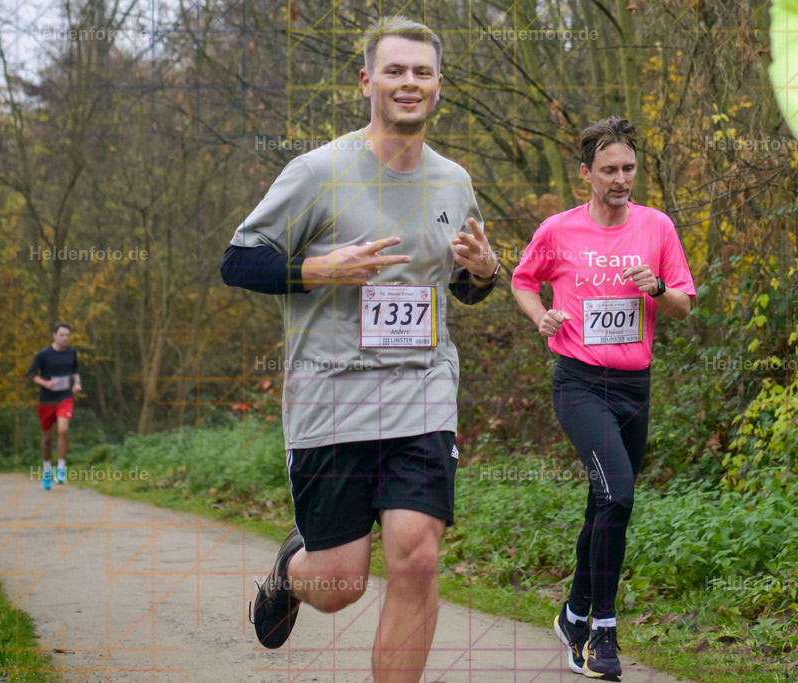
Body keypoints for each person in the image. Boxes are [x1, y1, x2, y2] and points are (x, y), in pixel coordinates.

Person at [220, 15, 499, 679]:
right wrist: (320, 270)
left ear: (439, 86)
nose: (409, 83)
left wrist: (485, 272)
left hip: (421, 389)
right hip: (331, 395)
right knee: (339, 586)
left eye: (422, 72)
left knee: (418, 553)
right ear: (367, 79)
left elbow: (458, 284)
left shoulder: (453, 182)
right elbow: (238, 261)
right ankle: (294, 571)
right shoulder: (318, 172)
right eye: (395, 70)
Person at [510, 116, 695, 680]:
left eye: (629, 169)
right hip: (579, 382)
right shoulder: (559, 229)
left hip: (634, 387)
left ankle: (572, 613)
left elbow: (685, 304)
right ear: (585, 174)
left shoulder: (656, 226)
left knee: (605, 503)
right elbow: (522, 279)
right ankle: (601, 631)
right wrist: (543, 317)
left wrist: (657, 290)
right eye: (609, 170)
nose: (621, 179)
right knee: (618, 493)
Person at [26, 323, 81, 490]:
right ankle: (47, 469)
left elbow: (75, 369)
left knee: (63, 430)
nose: (65, 338)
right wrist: (45, 383)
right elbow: (30, 374)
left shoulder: (71, 352)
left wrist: (77, 383)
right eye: (62, 335)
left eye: (67, 335)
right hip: (47, 399)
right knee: (47, 439)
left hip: (65, 397)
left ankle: (62, 469)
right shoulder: (44, 354)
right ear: (54, 335)